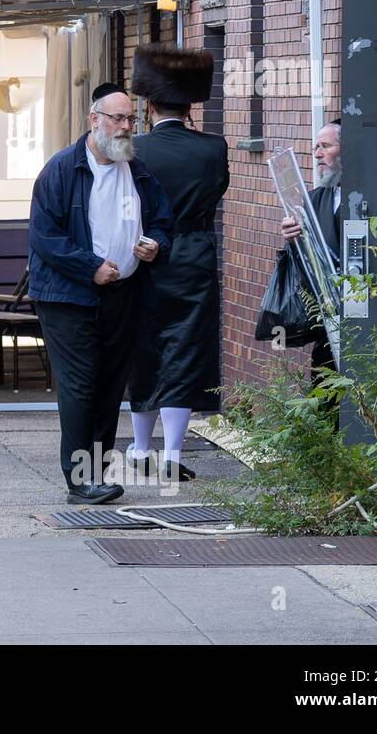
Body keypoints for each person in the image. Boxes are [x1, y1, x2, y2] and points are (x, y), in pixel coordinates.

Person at [30, 84, 173, 505]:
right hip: (68, 297)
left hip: (123, 294)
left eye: (131, 119)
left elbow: (164, 222)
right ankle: (80, 480)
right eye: (118, 118)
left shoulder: (139, 172)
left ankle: (97, 473)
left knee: (111, 386)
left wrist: (157, 246)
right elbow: (45, 237)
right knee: (80, 385)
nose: (127, 126)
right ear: (94, 120)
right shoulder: (61, 170)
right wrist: (90, 267)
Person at [127, 44, 230, 482]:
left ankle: (139, 446)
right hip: (195, 255)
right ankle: (171, 453)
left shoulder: (133, 149)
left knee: (145, 348)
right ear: (190, 105)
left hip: (146, 253)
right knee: (187, 349)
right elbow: (218, 191)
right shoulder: (214, 147)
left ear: (147, 103)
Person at [280, 118, 342, 374]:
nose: (317, 154)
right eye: (315, 147)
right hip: (326, 311)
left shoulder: (370, 197)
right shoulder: (315, 199)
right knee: (324, 383)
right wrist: (291, 236)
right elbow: (304, 258)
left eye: (325, 146)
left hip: (363, 305)